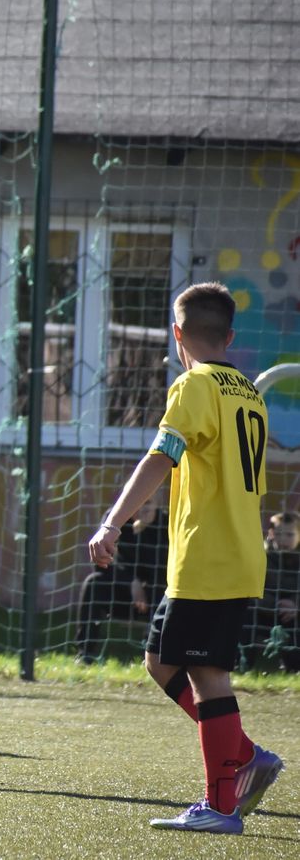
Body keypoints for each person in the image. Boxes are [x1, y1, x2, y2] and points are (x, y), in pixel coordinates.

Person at [87, 282, 284, 834]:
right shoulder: (248, 392)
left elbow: (162, 456)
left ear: (177, 334)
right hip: (236, 553)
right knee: (160, 660)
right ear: (230, 336)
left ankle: (222, 804)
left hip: (209, 557)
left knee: (207, 674)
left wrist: (112, 522)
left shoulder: (193, 384)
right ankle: (244, 755)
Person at [74, 508, 167, 664]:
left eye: (148, 503)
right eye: (139, 504)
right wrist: (131, 581)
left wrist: (144, 531)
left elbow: (167, 567)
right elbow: (100, 564)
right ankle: (85, 653)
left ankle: (151, 654)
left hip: (155, 593)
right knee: (93, 583)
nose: (142, 509)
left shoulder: (165, 522)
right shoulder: (115, 519)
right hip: (122, 591)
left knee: (163, 592)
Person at [251, 511, 300, 672]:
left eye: (289, 534)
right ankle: (243, 663)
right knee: (245, 615)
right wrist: (276, 604)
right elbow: (254, 588)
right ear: (271, 534)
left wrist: (295, 605)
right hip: (265, 611)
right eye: (278, 534)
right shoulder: (262, 557)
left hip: (294, 613)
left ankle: (293, 668)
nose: (283, 539)